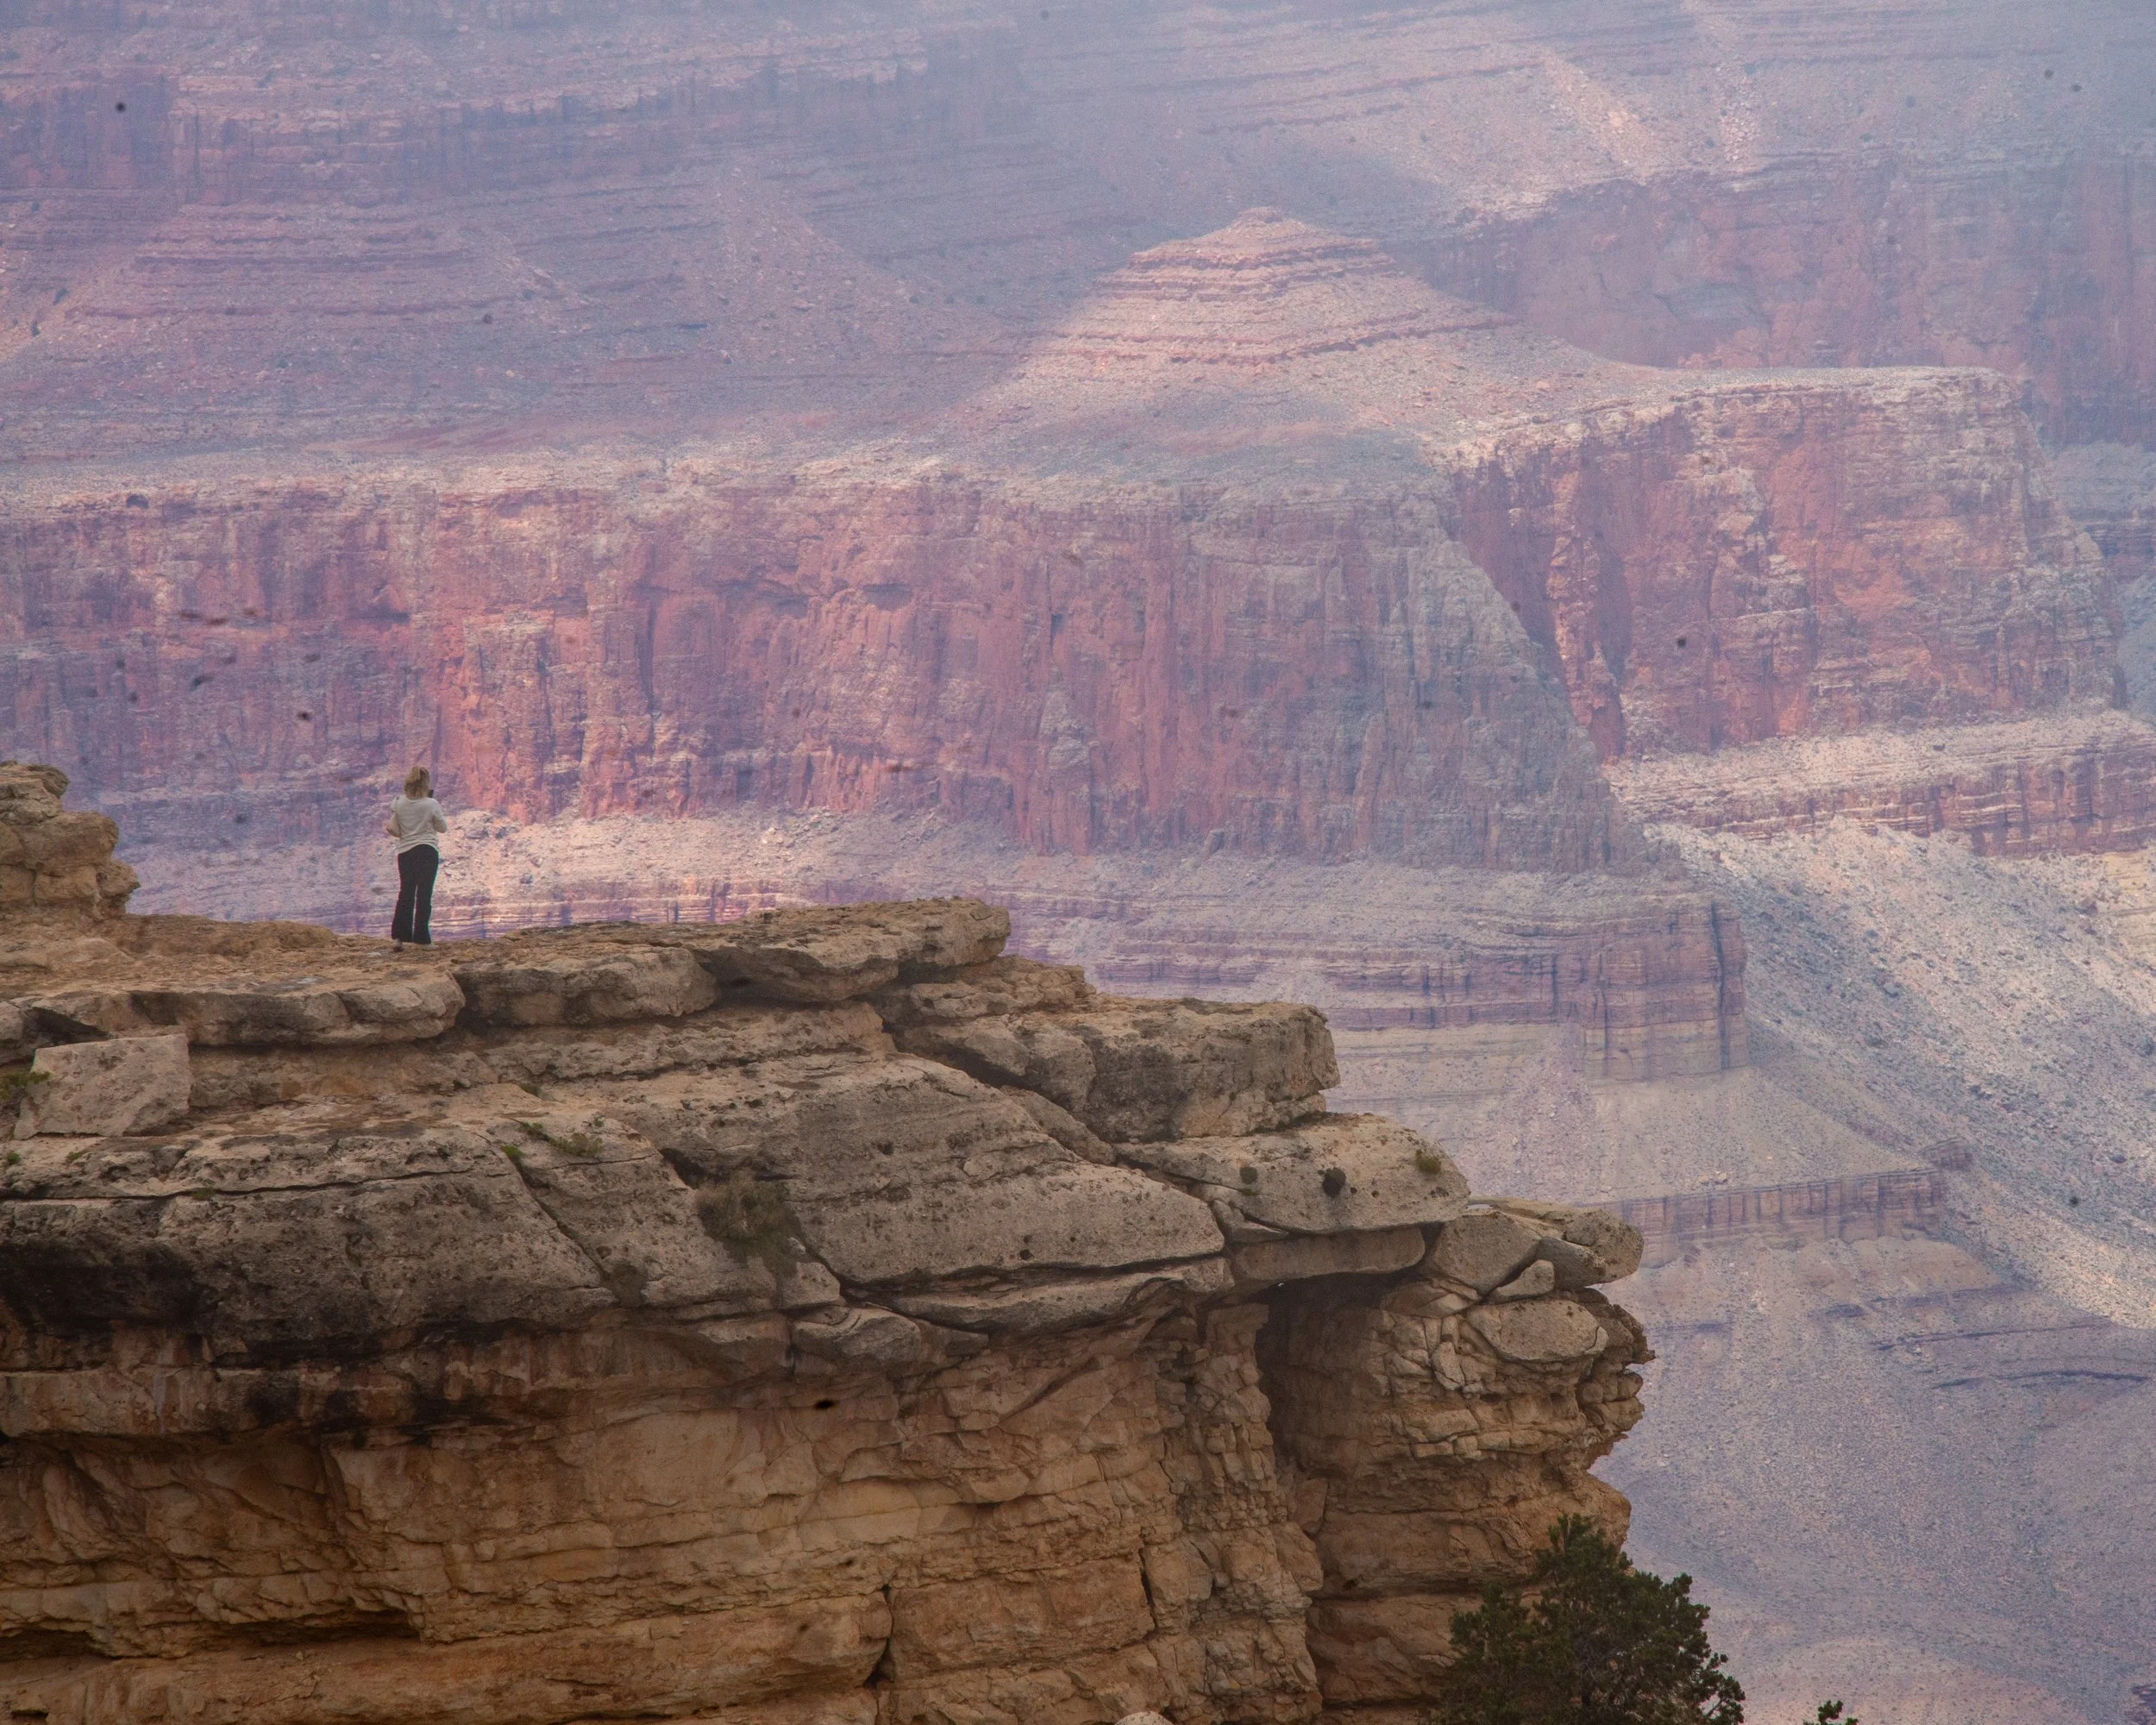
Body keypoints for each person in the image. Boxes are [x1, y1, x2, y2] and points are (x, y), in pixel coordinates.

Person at [385, 766, 448, 946]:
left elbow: (396, 826)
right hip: (427, 851)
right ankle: (422, 938)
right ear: (425, 784)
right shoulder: (431, 804)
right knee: (424, 894)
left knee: (406, 893)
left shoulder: (398, 802)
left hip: (405, 853)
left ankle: (399, 937)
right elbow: (442, 827)